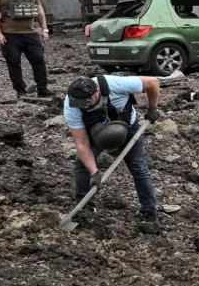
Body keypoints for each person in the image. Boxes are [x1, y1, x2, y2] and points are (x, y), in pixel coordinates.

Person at [64, 73, 164, 233]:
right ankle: (85, 210)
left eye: (86, 103)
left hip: (127, 127)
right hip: (95, 132)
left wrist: (152, 109)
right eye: (79, 104)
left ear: (96, 92)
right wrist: (94, 172)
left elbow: (153, 82)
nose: (82, 106)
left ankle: (149, 211)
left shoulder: (115, 84)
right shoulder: (72, 104)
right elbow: (81, 143)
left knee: (138, 167)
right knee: (82, 166)